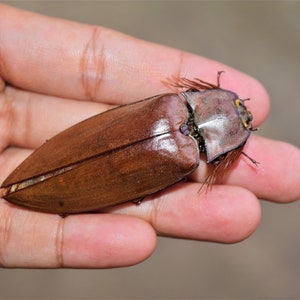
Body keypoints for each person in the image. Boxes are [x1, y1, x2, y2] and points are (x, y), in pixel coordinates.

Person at [0, 4, 299, 268]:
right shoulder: (186, 159)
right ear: (222, 149)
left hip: (69, 154)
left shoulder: (169, 105)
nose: (244, 111)